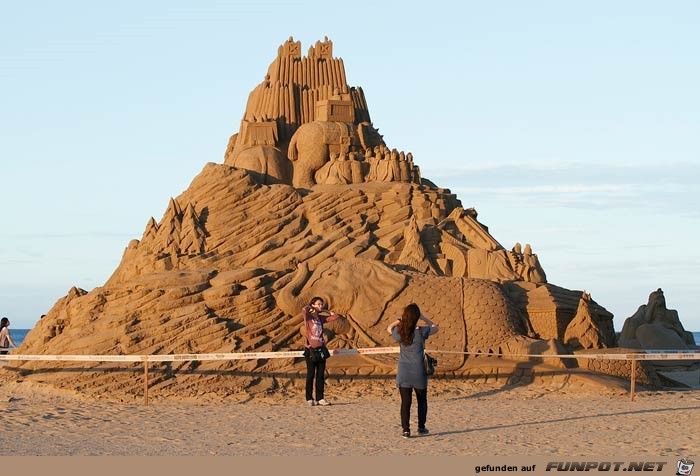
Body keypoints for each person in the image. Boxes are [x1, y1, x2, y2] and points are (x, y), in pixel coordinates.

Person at [387, 304, 438, 438]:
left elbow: (389, 328)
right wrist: (424, 318)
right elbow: (435, 327)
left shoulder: (400, 332)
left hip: (403, 371)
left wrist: (399, 321)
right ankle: (421, 427)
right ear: (417, 317)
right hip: (418, 371)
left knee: (406, 402)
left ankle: (406, 430)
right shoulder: (421, 331)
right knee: (422, 401)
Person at [302, 296, 343, 407]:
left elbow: (335, 316)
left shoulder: (320, 318)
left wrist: (326, 311)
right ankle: (309, 398)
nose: (320, 306)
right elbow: (304, 309)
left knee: (320, 375)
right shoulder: (308, 317)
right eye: (318, 304)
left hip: (321, 349)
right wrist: (311, 308)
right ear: (313, 304)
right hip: (310, 349)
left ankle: (320, 398)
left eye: (321, 304)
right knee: (310, 374)